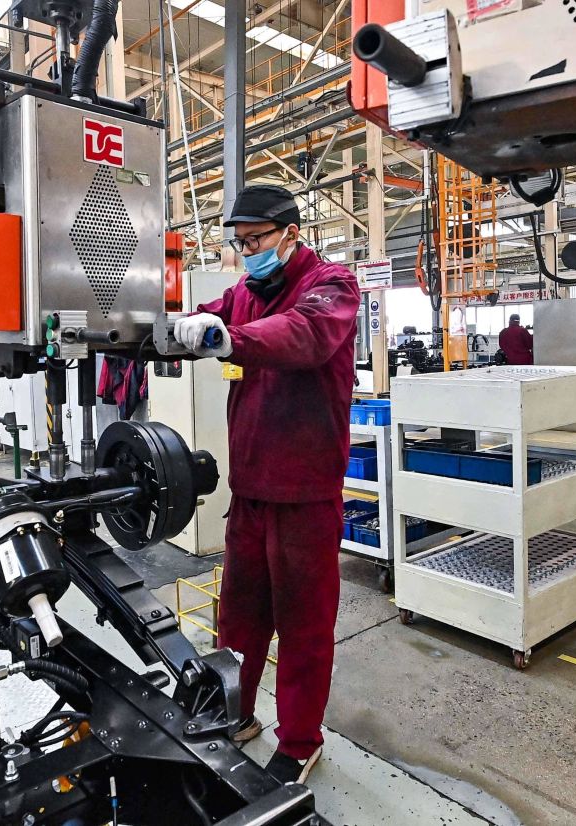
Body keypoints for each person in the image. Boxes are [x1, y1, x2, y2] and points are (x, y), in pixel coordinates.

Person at [174, 184, 359, 784]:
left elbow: (303, 337)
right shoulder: (245, 293)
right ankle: (239, 711)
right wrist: (170, 328)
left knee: (303, 624)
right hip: (250, 487)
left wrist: (232, 339)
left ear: (289, 233)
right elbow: (216, 318)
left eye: (254, 240)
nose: (246, 251)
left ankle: (301, 740)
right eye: (239, 242)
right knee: (240, 616)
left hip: (304, 491)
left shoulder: (331, 286)